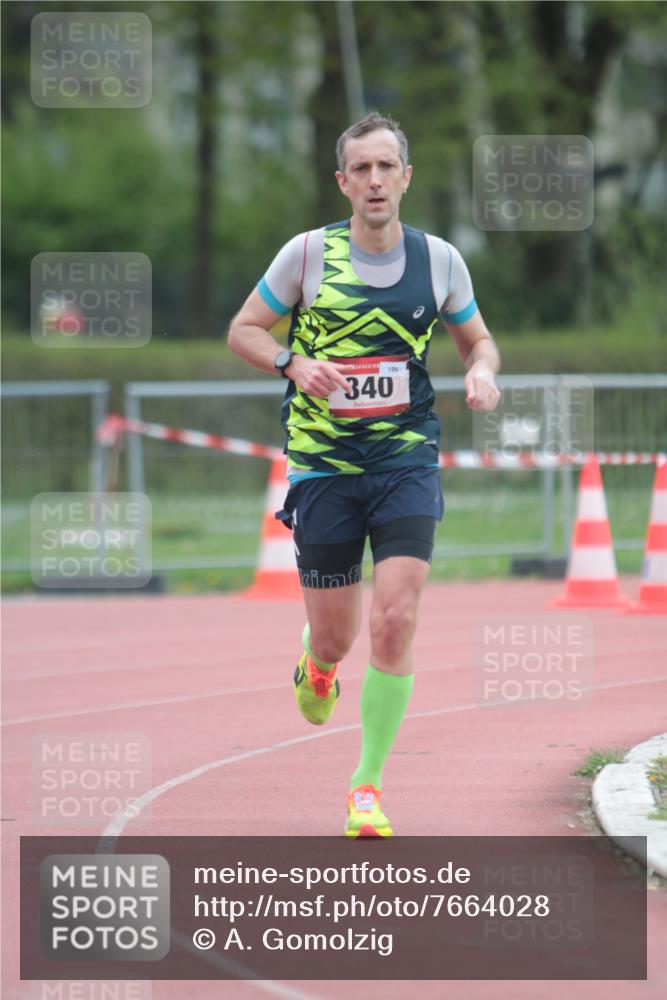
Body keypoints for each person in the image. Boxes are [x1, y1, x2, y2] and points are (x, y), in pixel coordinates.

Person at [228, 111, 500, 838]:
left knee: (394, 619)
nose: (374, 180)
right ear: (342, 181)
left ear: (405, 178)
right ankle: (315, 669)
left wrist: (480, 374)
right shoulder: (308, 255)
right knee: (336, 639)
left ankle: (365, 786)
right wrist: (292, 361)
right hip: (323, 466)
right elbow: (244, 329)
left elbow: (478, 341)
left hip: (405, 457)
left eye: (387, 167)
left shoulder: (438, 260)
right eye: (361, 169)